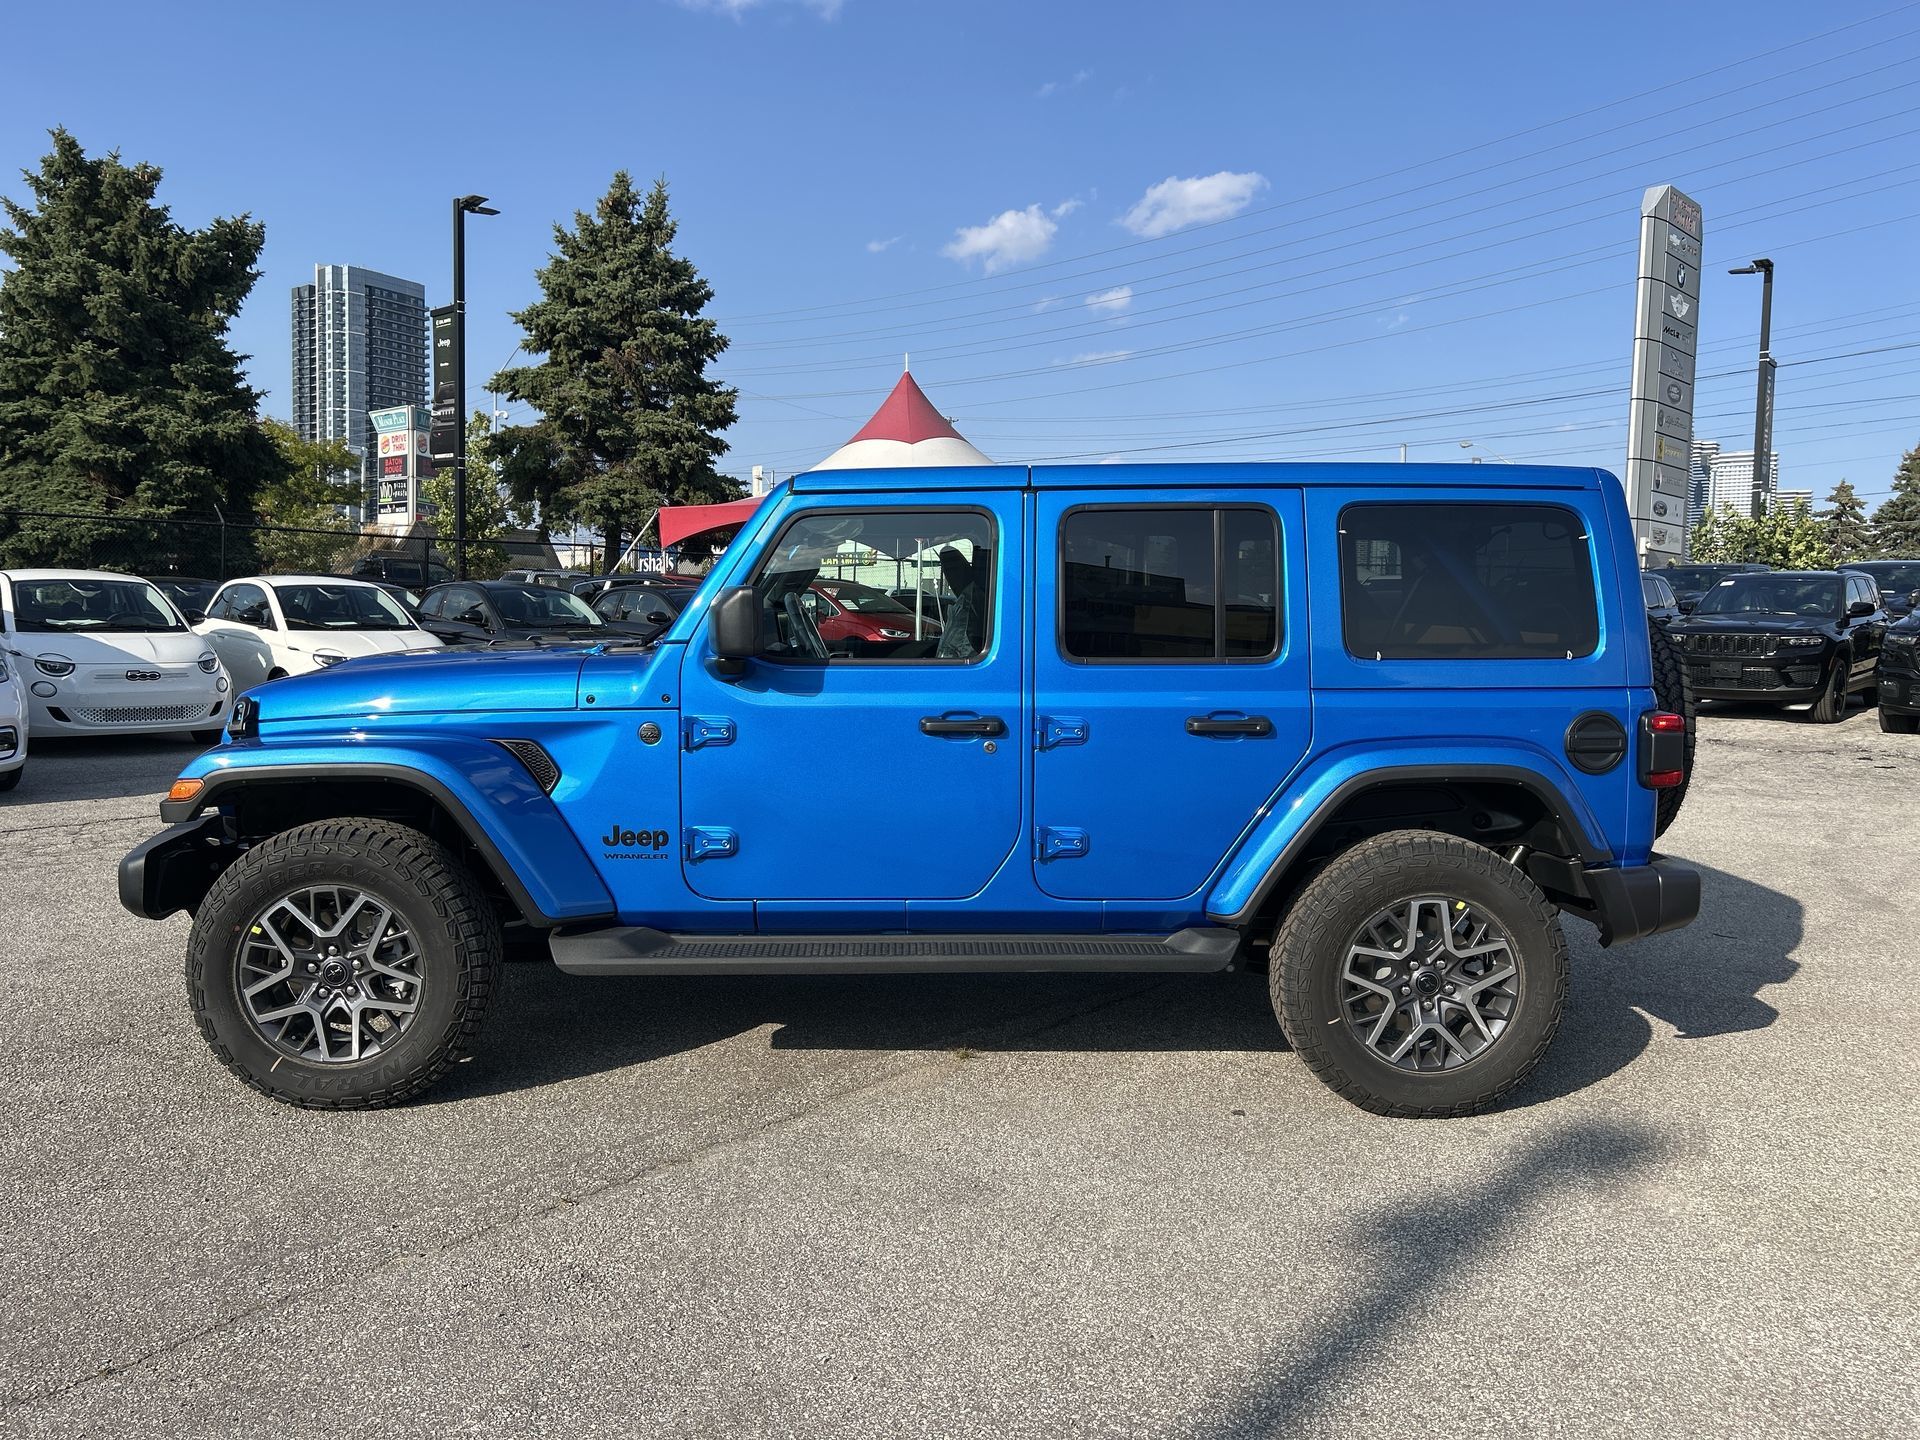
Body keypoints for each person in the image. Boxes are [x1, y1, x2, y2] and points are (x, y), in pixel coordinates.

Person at [936, 546, 986, 659]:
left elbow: (965, 649)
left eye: (954, 569)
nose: (950, 575)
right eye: (946, 570)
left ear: (966, 568)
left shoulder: (972, 601)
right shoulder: (962, 600)